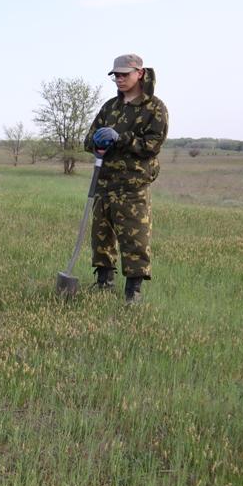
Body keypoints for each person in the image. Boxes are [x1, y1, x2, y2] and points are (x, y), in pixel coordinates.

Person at [83, 54, 169, 304]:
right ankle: (103, 283)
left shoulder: (155, 107)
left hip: (133, 186)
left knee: (135, 236)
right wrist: (96, 141)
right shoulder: (110, 107)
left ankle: (133, 292)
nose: (119, 79)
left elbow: (152, 145)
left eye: (124, 74)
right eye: (115, 75)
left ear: (139, 73)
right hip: (105, 182)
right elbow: (89, 140)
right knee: (101, 234)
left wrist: (121, 138)